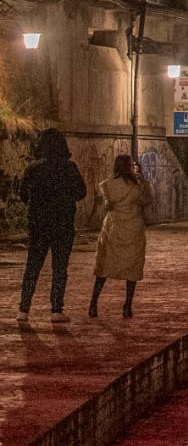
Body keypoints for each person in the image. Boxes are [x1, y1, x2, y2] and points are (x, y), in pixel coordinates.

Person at [18, 129, 87, 321]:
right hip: (62, 223)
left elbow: (23, 194)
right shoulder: (69, 168)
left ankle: (23, 309)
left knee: (32, 266)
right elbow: (81, 192)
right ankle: (56, 309)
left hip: (38, 224)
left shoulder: (32, 168)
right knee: (60, 267)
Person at [89, 154, 152, 319]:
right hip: (133, 229)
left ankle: (93, 304)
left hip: (112, 228)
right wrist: (143, 181)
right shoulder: (136, 187)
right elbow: (146, 200)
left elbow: (108, 205)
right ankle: (127, 306)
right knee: (132, 269)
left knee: (103, 268)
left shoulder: (107, 185)